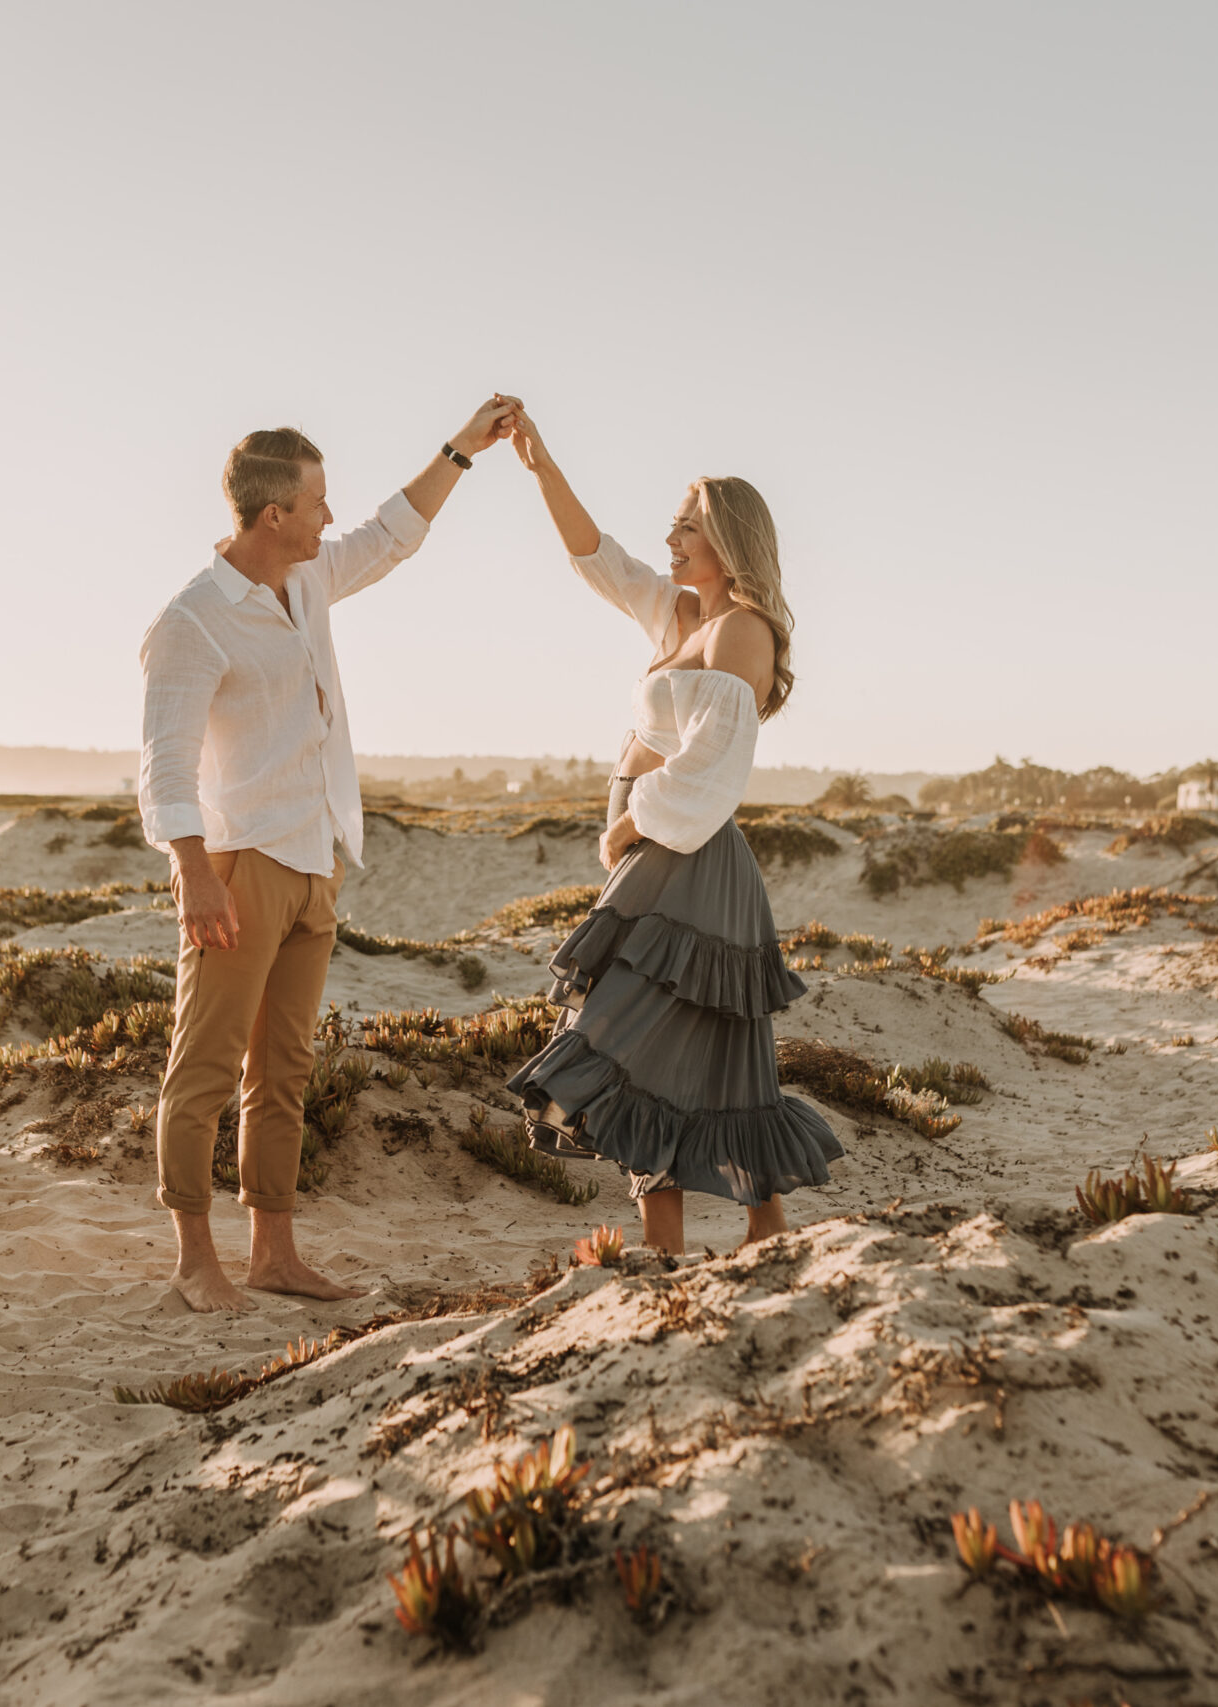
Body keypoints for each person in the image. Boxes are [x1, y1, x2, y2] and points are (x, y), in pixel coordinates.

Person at [140, 397, 521, 1312]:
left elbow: (391, 535)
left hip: (315, 857)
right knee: (204, 1063)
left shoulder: (305, 582)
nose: (329, 517)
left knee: (285, 1069)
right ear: (275, 516)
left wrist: (460, 450)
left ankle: (274, 1250)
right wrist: (192, 868)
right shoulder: (192, 621)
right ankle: (196, 1257)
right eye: (317, 504)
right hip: (239, 865)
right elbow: (165, 761)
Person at [499, 409, 841, 1254]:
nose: (671, 536)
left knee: (681, 1054)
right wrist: (543, 468)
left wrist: (628, 826)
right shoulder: (683, 614)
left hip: (688, 859)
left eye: (686, 525)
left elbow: (714, 767)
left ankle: (760, 1240)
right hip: (666, 860)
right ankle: (674, 1254)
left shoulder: (741, 631)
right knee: (655, 1055)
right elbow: (599, 559)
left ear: (726, 539)